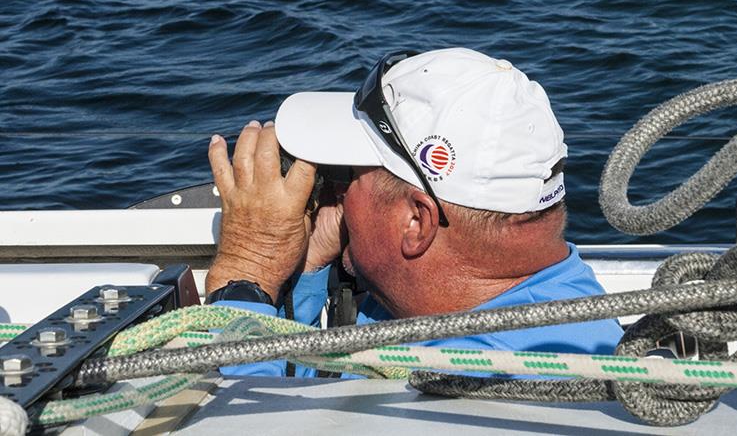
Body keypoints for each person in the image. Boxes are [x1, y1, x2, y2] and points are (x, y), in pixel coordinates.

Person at [205, 48, 623, 377]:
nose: (341, 197)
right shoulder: (542, 299)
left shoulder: (466, 384)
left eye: (351, 177)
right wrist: (310, 268)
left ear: (416, 222)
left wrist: (249, 269)